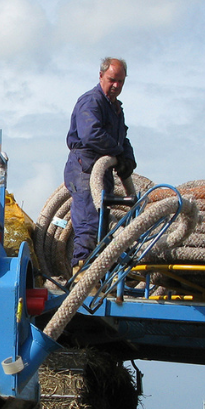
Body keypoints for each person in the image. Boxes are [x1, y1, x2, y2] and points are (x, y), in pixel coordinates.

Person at [63, 57, 136, 269]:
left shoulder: (115, 109)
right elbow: (91, 134)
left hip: (102, 171)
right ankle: (82, 271)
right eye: (112, 80)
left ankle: (99, 271)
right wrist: (119, 152)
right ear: (101, 76)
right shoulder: (91, 102)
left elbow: (123, 138)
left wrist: (128, 158)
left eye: (121, 82)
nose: (116, 86)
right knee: (89, 221)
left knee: (103, 224)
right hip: (85, 168)